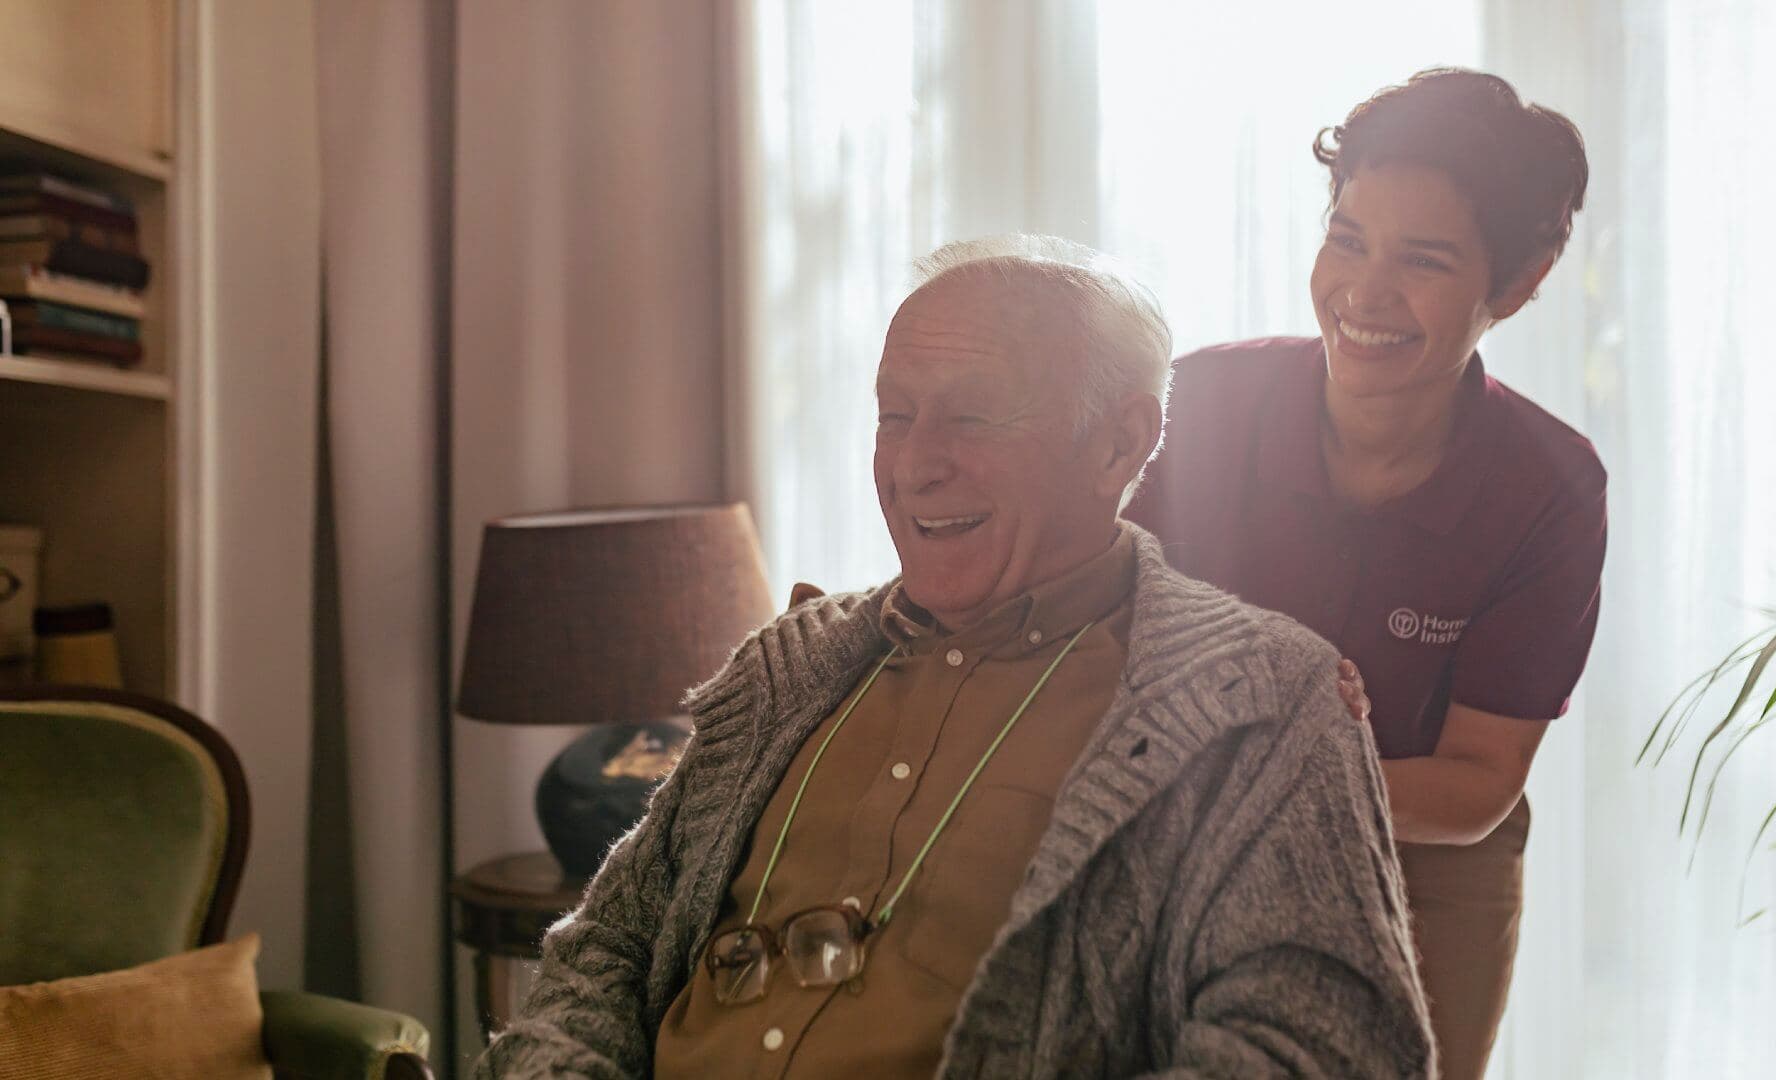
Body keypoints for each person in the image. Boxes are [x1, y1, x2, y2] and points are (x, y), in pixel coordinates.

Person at [476, 234, 1434, 1078]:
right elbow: (602, 952)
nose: (914, 463)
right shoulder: (785, 671)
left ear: (1119, 444)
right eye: (895, 414)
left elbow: (1325, 1051)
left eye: (972, 418)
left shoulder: (1260, 700)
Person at [1127, 69, 1607, 1079]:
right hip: (1189, 827)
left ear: (1516, 284)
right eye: (1346, 239)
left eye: (1422, 262)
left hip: (1421, 864)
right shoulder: (1204, 403)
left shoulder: (1547, 492)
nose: (1363, 293)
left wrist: (1293, 758)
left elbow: (1475, 783)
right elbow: (1097, 636)